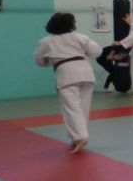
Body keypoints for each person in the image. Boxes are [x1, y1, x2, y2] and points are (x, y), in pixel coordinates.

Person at [34, 12, 102, 154]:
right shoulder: (80, 37)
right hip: (86, 72)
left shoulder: (46, 41)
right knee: (82, 108)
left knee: (71, 108)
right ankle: (75, 137)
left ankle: (80, 136)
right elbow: (96, 51)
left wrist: (49, 61)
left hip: (66, 74)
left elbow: (39, 61)